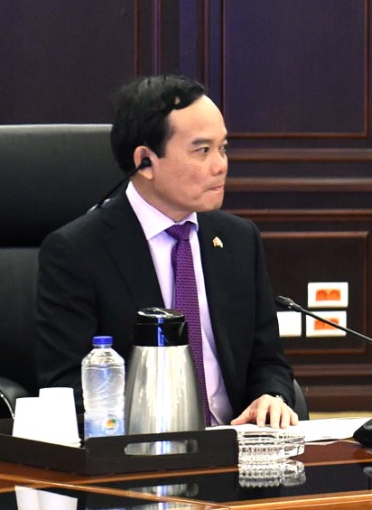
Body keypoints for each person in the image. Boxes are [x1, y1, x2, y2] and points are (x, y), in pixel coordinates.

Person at [36, 75, 298, 427]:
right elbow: (67, 386)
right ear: (145, 161)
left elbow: (268, 361)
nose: (221, 165)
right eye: (202, 150)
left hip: (237, 443)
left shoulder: (238, 240)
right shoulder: (78, 251)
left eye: (223, 148)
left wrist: (272, 397)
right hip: (138, 448)